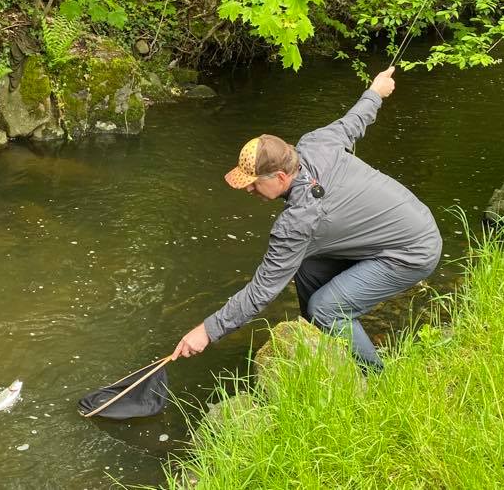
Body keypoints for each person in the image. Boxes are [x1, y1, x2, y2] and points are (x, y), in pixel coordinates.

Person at [171, 67, 441, 372]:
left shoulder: (298, 222)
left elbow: (261, 291)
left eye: (253, 182)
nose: (247, 188)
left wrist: (207, 331)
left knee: (326, 309)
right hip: (411, 219)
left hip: (411, 251)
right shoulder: (314, 144)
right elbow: (353, 121)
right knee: (307, 264)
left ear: (282, 176)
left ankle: (375, 379)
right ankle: (321, 349)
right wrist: (375, 92)